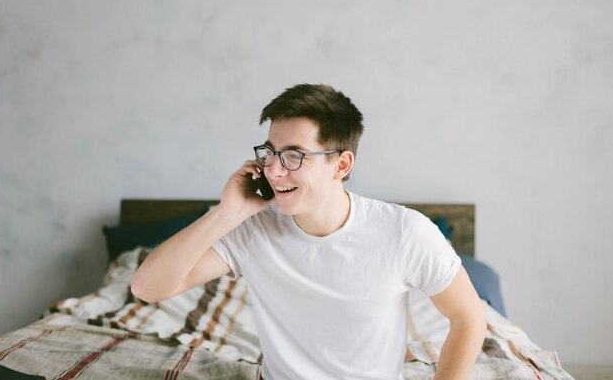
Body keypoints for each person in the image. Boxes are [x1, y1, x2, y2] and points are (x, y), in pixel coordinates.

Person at [131, 84, 486, 380]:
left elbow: (468, 317)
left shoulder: (404, 231)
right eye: (269, 154)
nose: (275, 171)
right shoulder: (253, 230)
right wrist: (228, 211)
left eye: (294, 156)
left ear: (341, 164)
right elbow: (147, 288)